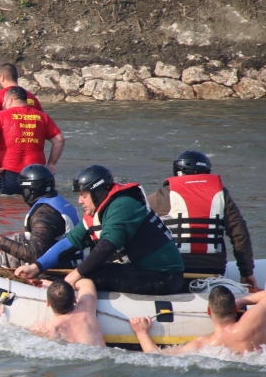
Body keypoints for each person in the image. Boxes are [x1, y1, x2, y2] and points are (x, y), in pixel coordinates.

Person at [15, 165, 185, 295]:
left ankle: (77, 312)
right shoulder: (98, 211)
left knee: (91, 275)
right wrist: (37, 267)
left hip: (163, 276)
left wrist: (72, 277)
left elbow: (107, 245)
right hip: (137, 269)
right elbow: (72, 241)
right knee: (89, 271)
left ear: (98, 193)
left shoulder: (124, 205)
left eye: (83, 195)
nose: (80, 201)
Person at [147, 150, 256, 290]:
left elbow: (135, 224)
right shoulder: (222, 194)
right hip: (213, 271)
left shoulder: (162, 195)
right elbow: (240, 235)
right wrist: (246, 272)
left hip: (175, 270)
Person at [0, 164, 82, 269]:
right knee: (16, 238)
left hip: (56, 270)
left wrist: (0, 242)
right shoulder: (59, 203)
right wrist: (4, 246)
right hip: (71, 261)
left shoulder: (44, 214)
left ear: (31, 190)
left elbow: (34, 254)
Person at [131, 285, 266, 355]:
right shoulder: (250, 324)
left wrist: (141, 333)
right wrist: (241, 300)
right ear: (235, 309)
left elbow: (157, 357)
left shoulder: (205, 345)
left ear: (209, 311)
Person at [0, 86, 65, 195]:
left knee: (4, 207)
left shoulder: (0, 116)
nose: (3, 104)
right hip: (36, 175)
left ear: (10, 100)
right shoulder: (42, 117)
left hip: (9, 174)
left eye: (4, 101)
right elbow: (59, 140)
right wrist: (51, 163)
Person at [0, 278, 106, 347]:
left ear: (48, 303)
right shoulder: (86, 309)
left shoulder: (45, 328)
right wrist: (59, 283)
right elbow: (86, 282)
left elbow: (12, 338)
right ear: (75, 299)